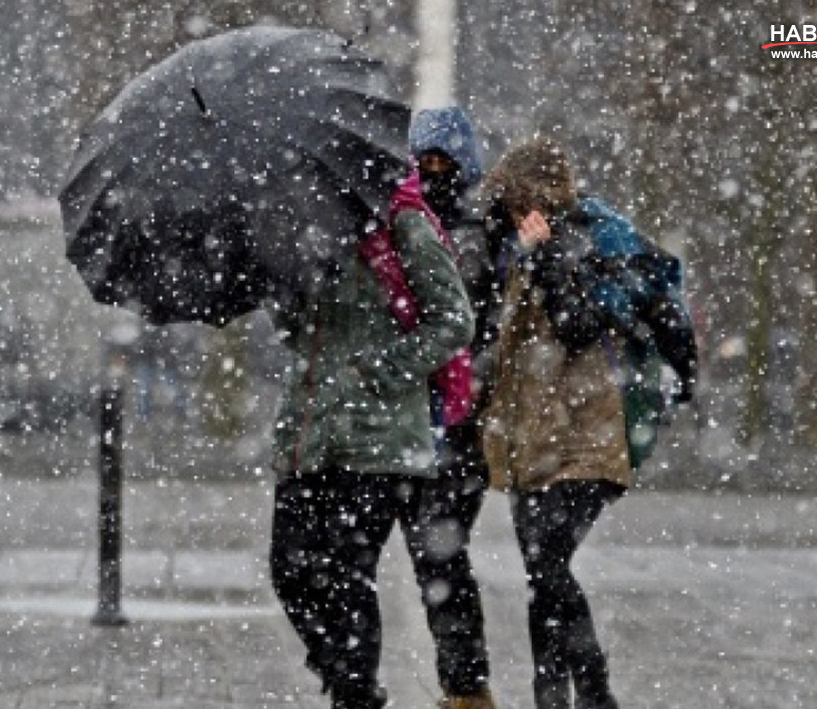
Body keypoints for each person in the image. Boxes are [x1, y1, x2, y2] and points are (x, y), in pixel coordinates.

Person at [479, 137, 693, 709]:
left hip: (590, 436)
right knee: (541, 574)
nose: (506, 211)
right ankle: (554, 697)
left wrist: (547, 259)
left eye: (514, 198)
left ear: (538, 195)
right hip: (531, 437)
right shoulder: (513, 247)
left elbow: (578, 326)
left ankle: (593, 695)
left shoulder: (582, 242)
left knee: (548, 563)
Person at [269, 170, 475, 709]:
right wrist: (285, 290)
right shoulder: (306, 230)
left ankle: (355, 694)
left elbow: (453, 320)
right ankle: (347, 681)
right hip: (308, 435)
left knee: (345, 575)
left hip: (377, 438)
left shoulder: (402, 225)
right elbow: (299, 331)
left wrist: (382, 372)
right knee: (289, 570)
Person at [400, 106, 501, 709]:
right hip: (421, 416)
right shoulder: (409, 224)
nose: (435, 172)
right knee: (435, 558)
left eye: (445, 161)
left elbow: (469, 320)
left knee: (439, 557)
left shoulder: (473, 233)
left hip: (456, 419)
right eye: (425, 161)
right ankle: (464, 685)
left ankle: (466, 686)